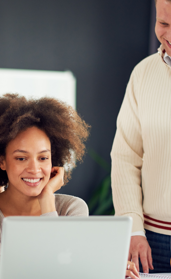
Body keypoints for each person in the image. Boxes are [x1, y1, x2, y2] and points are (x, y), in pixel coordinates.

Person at [0, 94, 89, 271]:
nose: (35, 169)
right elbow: (0, 269)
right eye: (21, 158)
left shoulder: (73, 208)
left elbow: (69, 270)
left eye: (43, 157)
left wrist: (47, 201)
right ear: (2, 162)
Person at [111, 0, 171, 274]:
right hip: (152, 240)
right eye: (163, 24)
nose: (168, 36)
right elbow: (125, 157)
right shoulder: (143, 74)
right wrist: (133, 229)